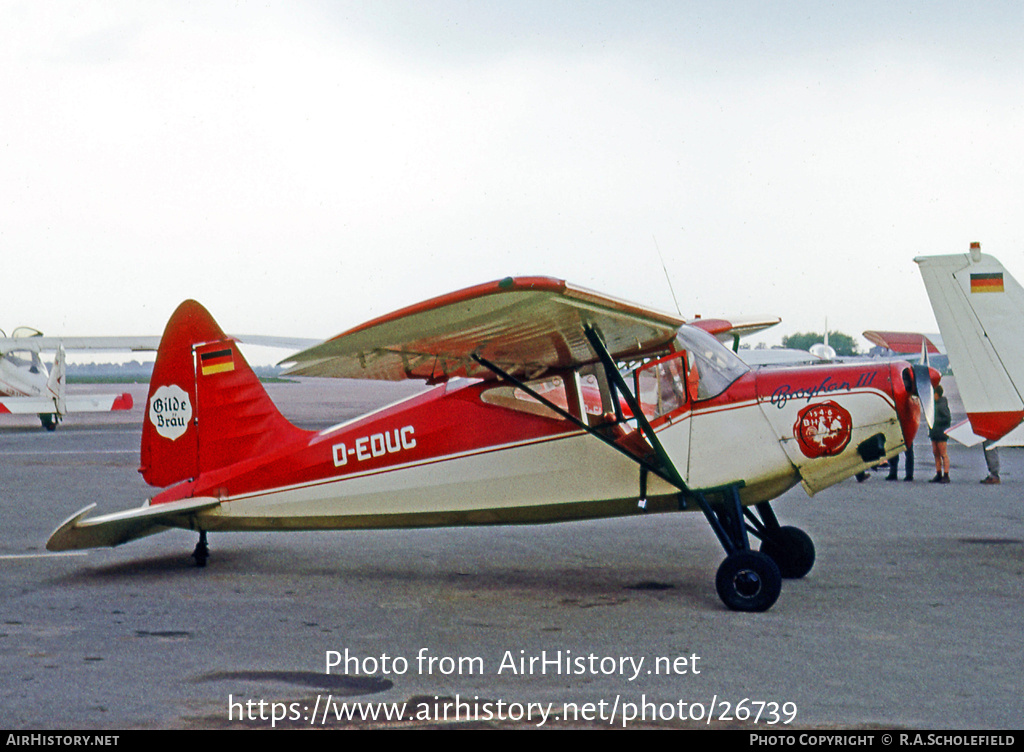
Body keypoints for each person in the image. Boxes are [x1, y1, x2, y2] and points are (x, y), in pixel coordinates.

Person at [929, 383, 951, 483]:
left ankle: (946, 474)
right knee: (936, 453)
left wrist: (935, 421)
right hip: (935, 432)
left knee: (943, 454)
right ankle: (939, 473)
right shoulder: (935, 404)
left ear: (937, 394)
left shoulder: (941, 405)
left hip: (940, 432)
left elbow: (947, 418)